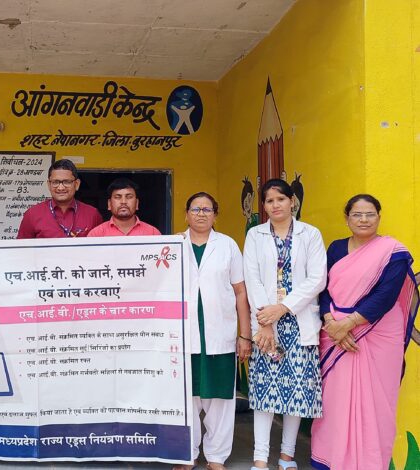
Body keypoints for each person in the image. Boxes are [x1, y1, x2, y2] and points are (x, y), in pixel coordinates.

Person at [311, 195, 418, 470]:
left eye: (370, 214)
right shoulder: (336, 248)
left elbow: (386, 295)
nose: (363, 220)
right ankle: (331, 459)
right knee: (335, 401)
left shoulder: (393, 252)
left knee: (377, 401)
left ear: (379, 217)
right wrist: (330, 322)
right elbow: (323, 288)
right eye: (357, 214)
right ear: (347, 218)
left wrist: (347, 324)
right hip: (334, 334)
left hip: (379, 334)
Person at [242, 178, 326, 470]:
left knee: (296, 392)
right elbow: (252, 278)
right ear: (264, 206)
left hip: (299, 322)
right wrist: (265, 321)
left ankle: (287, 457)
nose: (275, 205)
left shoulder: (310, 234)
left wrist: (283, 307)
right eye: (269, 200)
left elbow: (317, 279)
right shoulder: (255, 235)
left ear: (292, 201)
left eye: (280, 199)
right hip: (266, 322)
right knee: (264, 392)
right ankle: (260, 459)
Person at [172, 193, 251, 470]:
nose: (201, 214)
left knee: (220, 399)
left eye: (207, 210)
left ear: (215, 215)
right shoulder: (174, 245)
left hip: (220, 335)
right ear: (186, 214)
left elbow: (240, 292)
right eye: (196, 209)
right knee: (186, 398)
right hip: (183, 335)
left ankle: (216, 457)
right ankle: (188, 454)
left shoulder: (227, 245)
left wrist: (244, 335)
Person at [17, 159, 102, 238]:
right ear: (49, 184)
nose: (61, 188)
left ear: (77, 184)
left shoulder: (92, 214)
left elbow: (101, 247)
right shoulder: (32, 214)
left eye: (67, 182)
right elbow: (22, 248)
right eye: (55, 182)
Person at [86, 178, 160, 237]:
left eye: (129, 197)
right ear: (109, 204)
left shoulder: (153, 233)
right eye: (118, 197)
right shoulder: (96, 234)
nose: (123, 201)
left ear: (137, 203)